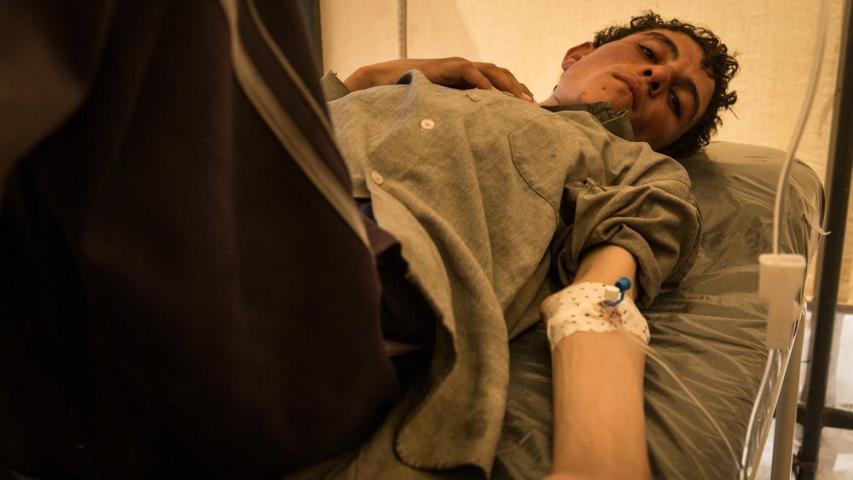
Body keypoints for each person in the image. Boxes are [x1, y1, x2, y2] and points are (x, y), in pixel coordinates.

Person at [0, 3, 735, 479]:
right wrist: (371, 79)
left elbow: (600, 295)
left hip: (336, 306)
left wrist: (598, 464)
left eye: (676, 98)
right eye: (652, 52)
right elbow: (249, 118)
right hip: (129, 298)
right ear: (578, 52)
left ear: (667, 141)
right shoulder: (410, 86)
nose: (655, 76)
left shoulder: (629, 166)